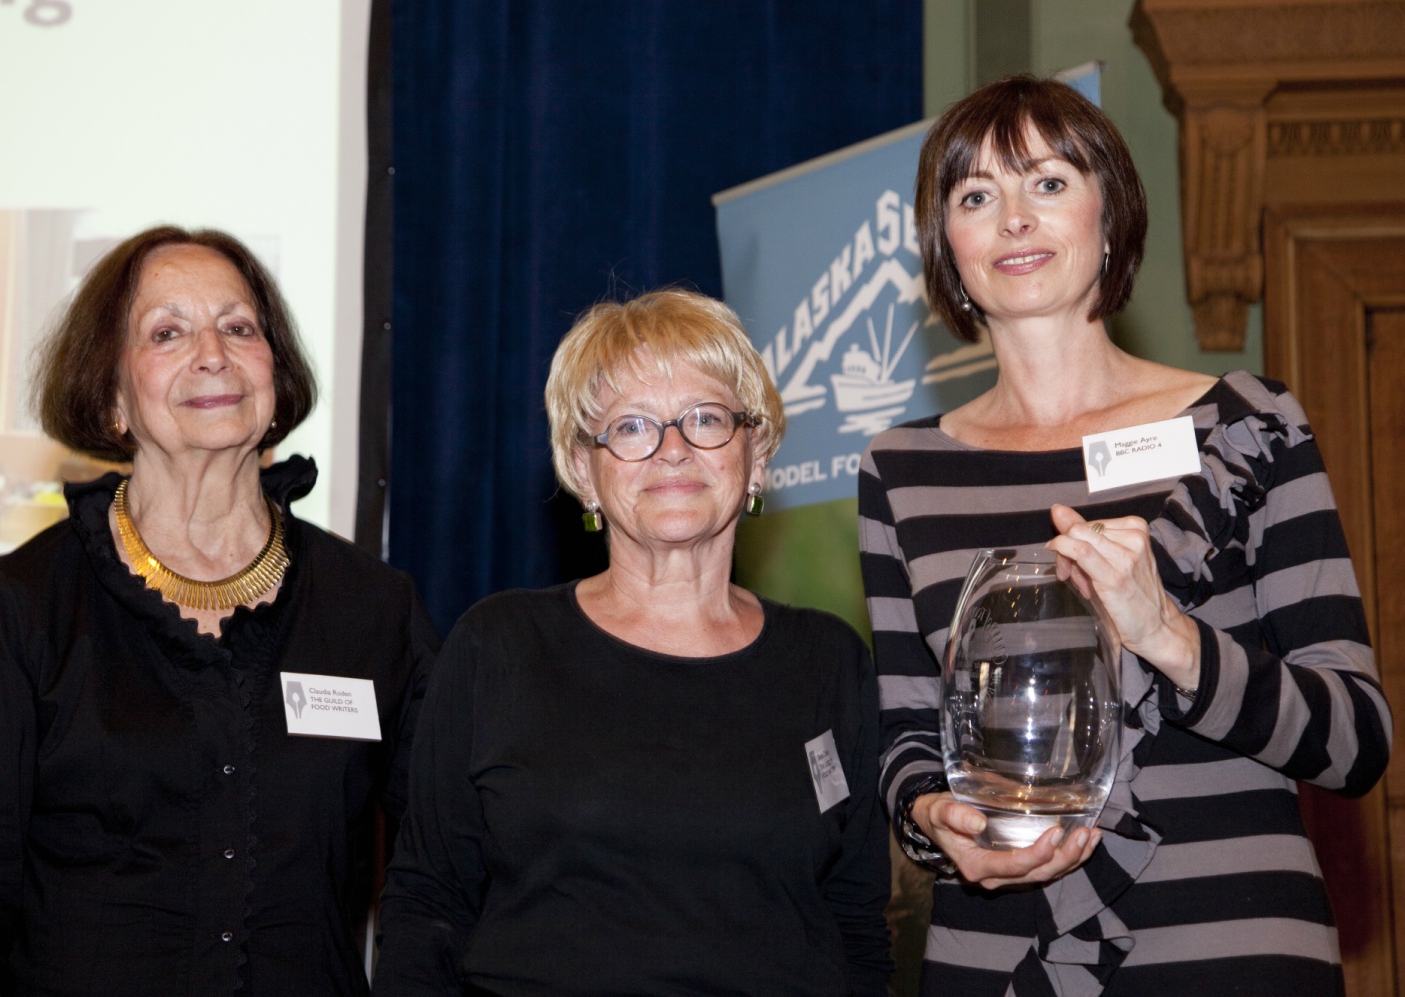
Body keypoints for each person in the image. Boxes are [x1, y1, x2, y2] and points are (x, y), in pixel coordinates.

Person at [859, 76, 1391, 996]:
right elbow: (909, 733)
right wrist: (930, 815)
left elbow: (1354, 738)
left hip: (1235, 953)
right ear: (950, 250)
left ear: (1112, 215)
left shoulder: (1246, 427)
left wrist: (1168, 637)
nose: (1014, 219)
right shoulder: (901, 470)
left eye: (1050, 183)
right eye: (977, 196)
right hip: (999, 959)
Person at [0, 226, 437, 996]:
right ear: (113, 396)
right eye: (167, 332)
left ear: (276, 376)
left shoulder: (375, 610)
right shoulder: (21, 604)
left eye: (239, 327)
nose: (212, 352)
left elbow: (447, 872)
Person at [375, 289, 891, 996]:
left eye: (706, 418)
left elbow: (858, 925)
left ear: (758, 455)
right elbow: (426, 907)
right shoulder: (497, 646)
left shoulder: (831, 661)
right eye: (632, 426)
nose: (672, 449)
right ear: (584, 470)